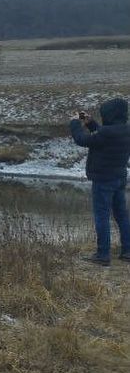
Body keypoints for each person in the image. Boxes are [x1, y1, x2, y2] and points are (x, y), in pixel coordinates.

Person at [69, 97, 130, 266]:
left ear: (110, 115)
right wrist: (91, 123)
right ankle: (127, 251)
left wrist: (75, 123)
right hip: (119, 177)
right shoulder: (126, 129)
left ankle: (103, 255)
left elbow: (82, 140)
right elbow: (105, 135)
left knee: (101, 216)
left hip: (103, 180)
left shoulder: (106, 133)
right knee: (122, 215)